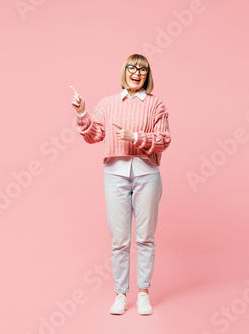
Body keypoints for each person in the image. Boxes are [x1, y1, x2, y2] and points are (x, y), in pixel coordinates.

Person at [70, 54, 171, 316]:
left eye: (142, 69)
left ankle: (144, 293)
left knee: (145, 237)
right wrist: (83, 113)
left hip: (147, 173)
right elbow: (94, 135)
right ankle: (120, 294)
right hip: (115, 174)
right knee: (119, 239)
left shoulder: (156, 105)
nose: (136, 72)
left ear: (147, 75)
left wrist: (135, 137)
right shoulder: (108, 103)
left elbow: (164, 139)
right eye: (132, 67)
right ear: (124, 71)